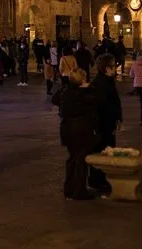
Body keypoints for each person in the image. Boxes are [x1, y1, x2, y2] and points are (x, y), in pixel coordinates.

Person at [54, 67, 98, 200]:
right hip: (81, 129)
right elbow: (96, 99)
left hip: (66, 128)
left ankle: (69, 188)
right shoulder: (84, 94)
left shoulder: (65, 91)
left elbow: (54, 99)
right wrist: (89, 87)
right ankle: (79, 191)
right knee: (80, 160)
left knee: (72, 158)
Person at [88, 54, 121, 194]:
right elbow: (105, 106)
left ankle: (103, 178)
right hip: (103, 125)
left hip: (108, 124)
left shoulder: (107, 81)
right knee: (102, 150)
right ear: (107, 68)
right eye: (113, 66)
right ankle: (97, 180)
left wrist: (118, 118)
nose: (116, 68)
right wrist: (113, 120)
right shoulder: (101, 83)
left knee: (106, 150)